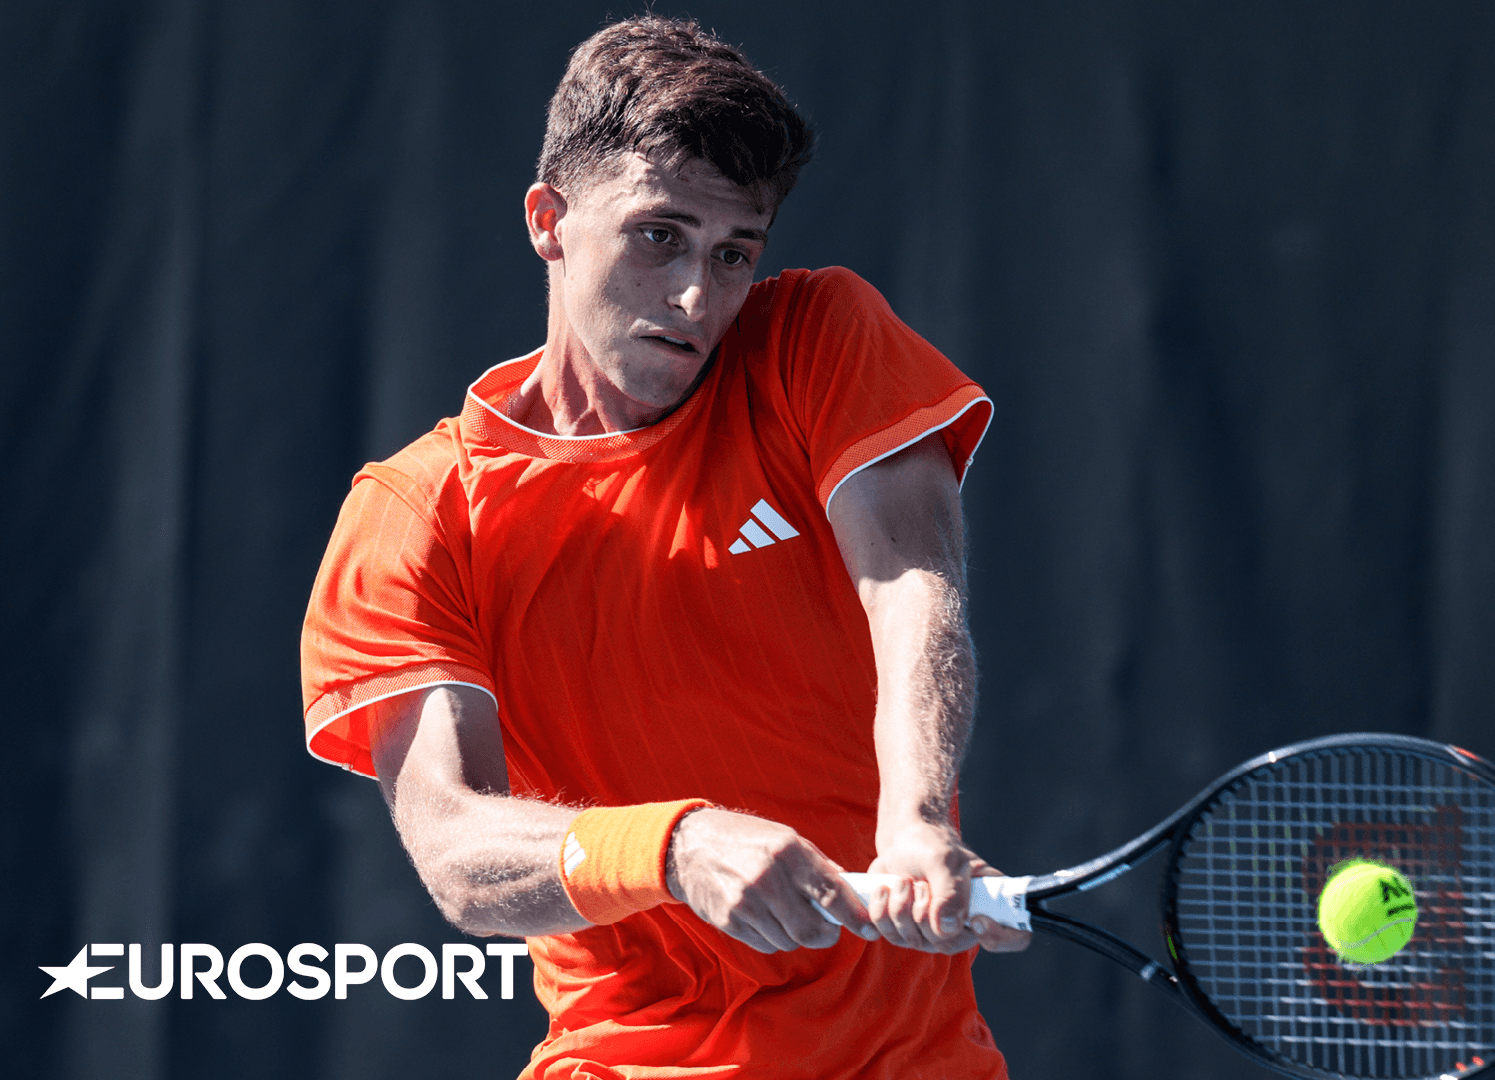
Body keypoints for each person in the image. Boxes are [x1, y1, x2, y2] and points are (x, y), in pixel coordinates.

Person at [298, 15, 1028, 1079]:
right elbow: (455, 849)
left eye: (734, 253)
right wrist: (676, 848)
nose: (696, 297)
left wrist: (915, 821)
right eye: (658, 236)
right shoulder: (419, 514)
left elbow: (912, 587)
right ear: (549, 220)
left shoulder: (816, 338)